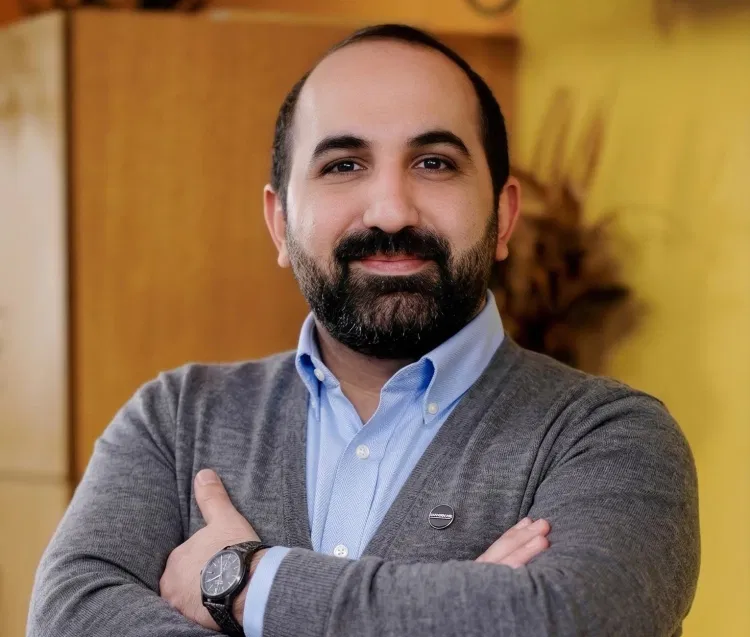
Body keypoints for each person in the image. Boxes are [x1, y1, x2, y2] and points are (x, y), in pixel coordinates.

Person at [27, 24, 700, 637]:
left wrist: (244, 583)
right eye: (343, 165)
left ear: (503, 216)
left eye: (434, 162)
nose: (390, 210)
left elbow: (572, 618)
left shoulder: (610, 438)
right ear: (280, 225)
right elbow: (69, 613)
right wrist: (458, 614)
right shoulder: (174, 420)